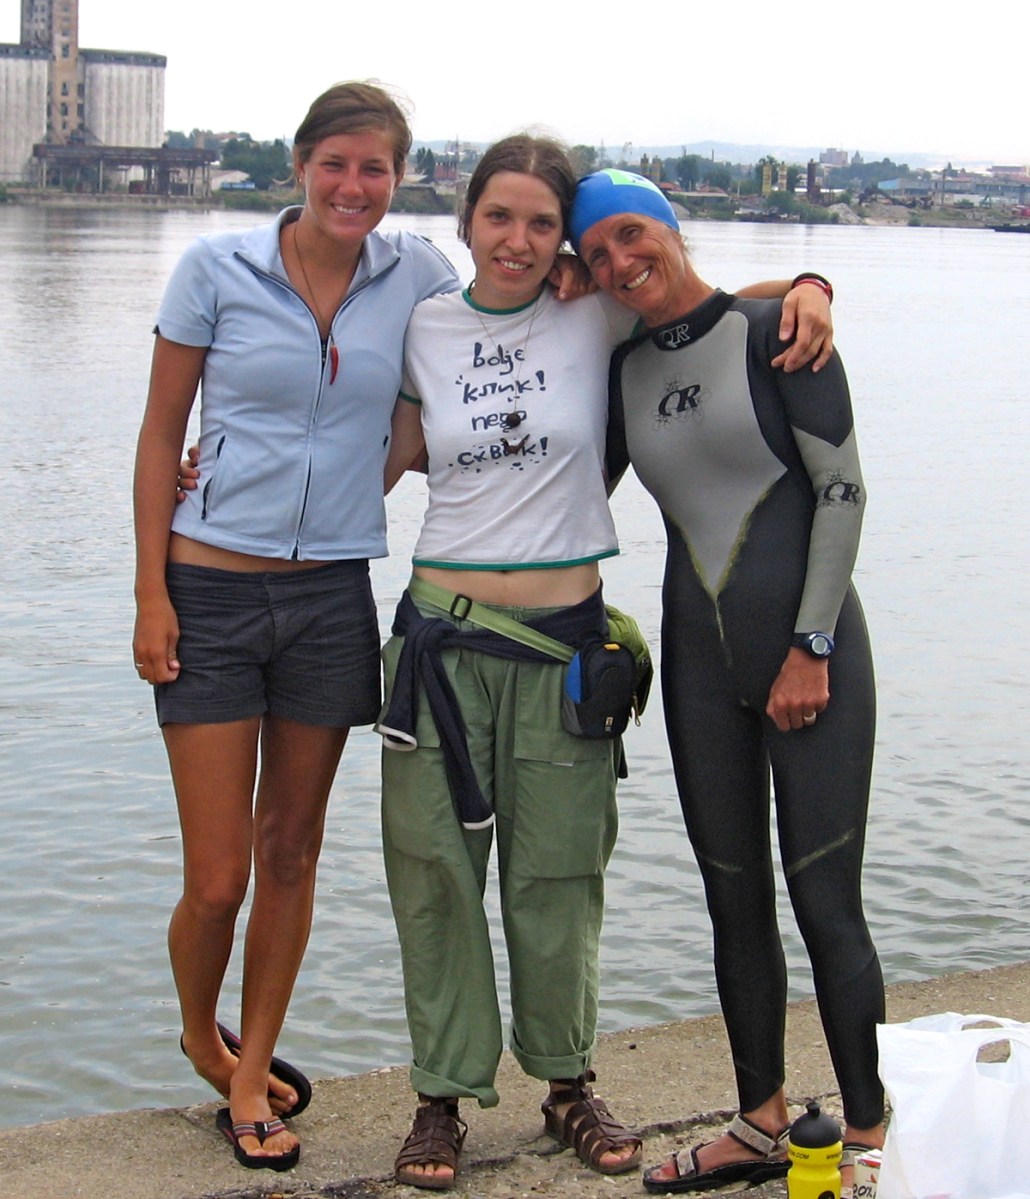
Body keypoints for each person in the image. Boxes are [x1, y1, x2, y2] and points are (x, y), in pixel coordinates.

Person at [374, 139, 836, 1192]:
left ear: (565, 242)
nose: (518, 240)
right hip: (440, 638)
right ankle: (441, 1094)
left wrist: (809, 286)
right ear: (466, 220)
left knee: (560, 872)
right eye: (500, 217)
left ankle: (566, 1081)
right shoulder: (424, 327)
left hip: (564, 649)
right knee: (434, 872)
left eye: (542, 223)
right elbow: (382, 456)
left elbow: (715, 303)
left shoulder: (598, 316)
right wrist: (223, 476)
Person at [131, 81, 459, 1171]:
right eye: (336, 164)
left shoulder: (419, 275)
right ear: (301, 164)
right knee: (218, 873)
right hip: (210, 590)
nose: (354, 187)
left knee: (292, 849)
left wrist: (388, 462)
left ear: (398, 177)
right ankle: (201, 1030)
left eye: (376, 169)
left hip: (329, 597)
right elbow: (160, 435)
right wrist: (150, 593)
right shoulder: (213, 269)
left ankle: (252, 1066)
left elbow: (514, 311)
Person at [571, 169, 885, 1196]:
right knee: (732, 896)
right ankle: (758, 1121)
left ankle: (870, 1134)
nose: (620, 261)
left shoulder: (777, 333)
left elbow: (841, 491)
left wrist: (811, 644)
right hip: (699, 665)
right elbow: (550, 478)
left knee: (824, 897)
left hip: (810, 652)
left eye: (632, 234)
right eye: (597, 253)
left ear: (670, 226)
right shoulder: (623, 369)